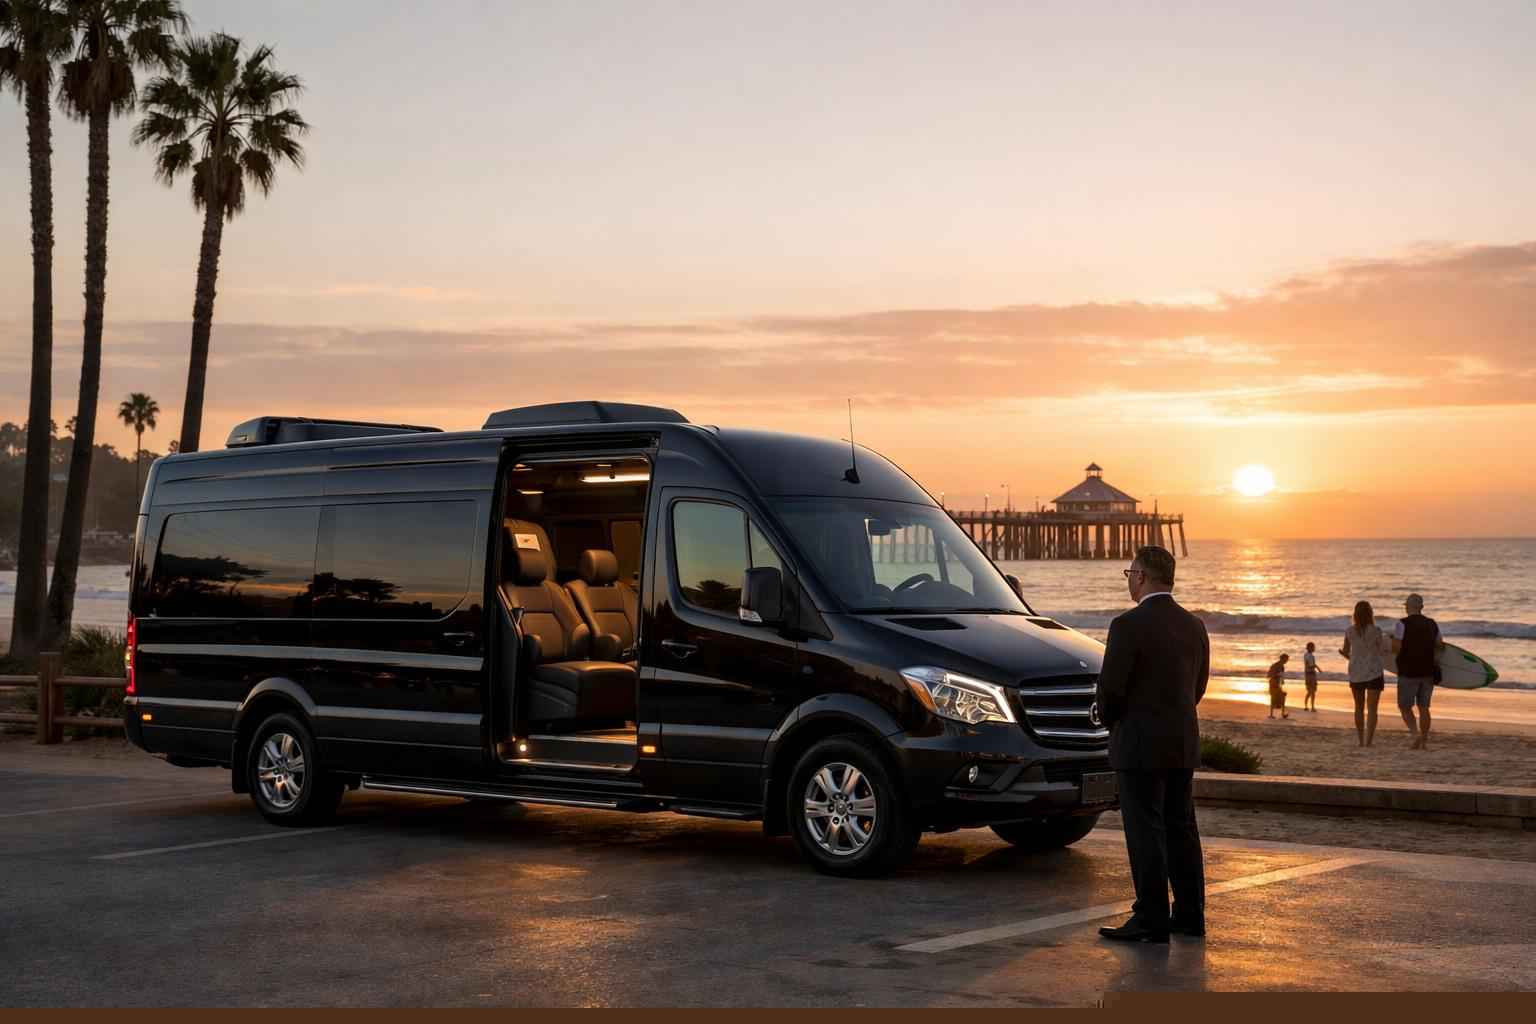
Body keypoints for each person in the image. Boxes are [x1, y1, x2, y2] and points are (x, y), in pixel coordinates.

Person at [1095, 545, 1209, 944]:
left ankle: (1151, 918)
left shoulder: (1126, 625)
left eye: (1129, 572)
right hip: (1180, 740)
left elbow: (1111, 689)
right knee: (1182, 828)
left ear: (1141, 576)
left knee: (1145, 830)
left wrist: (1109, 720)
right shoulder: (1194, 625)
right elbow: (1198, 687)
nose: (1128, 580)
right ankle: (1191, 914)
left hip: (1139, 743)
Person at [1392, 593, 1443, 750]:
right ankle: (1424, 741)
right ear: (1421, 607)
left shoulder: (1402, 624)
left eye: (1406, 606)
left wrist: (1392, 641)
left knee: (1405, 706)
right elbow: (1440, 645)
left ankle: (1415, 735)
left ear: (1408, 607)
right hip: (1428, 672)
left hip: (1408, 671)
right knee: (1424, 708)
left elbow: (1396, 648)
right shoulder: (1432, 624)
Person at [1340, 600, 1386, 748]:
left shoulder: (1349, 631)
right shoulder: (1377, 630)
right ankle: (1369, 741)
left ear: (1355, 614)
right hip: (1374, 672)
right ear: (1370, 613)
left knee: (1358, 707)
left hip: (1356, 673)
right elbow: (1382, 651)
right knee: (1372, 709)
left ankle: (1360, 740)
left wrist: (1347, 656)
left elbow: (1346, 652)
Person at [1267, 653, 1290, 719]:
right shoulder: (1275, 665)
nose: (1287, 661)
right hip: (1273, 683)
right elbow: (1269, 675)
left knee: (1282, 697)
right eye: (1286, 659)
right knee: (1273, 698)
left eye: (1287, 660)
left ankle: (1282, 714)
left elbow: (1281, 675)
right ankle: (1271, 714)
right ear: (1282, 659)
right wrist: (1276, 675)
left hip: (1278, 684)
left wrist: (1282, 680)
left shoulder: (1282, 666)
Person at [1303, 642, 1319, 711]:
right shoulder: (1309, 656)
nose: (1314, 648)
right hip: (1310, 674)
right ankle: (1311, 707)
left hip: (1309, 674)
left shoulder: (1307, 655)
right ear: (1309, 648)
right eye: (1313, 647)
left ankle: (1308, 706)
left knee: (1310, 691)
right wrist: (1316, 667)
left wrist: (1315, 666)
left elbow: (1309, 665)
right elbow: (1309, 665)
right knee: (1311, 691)